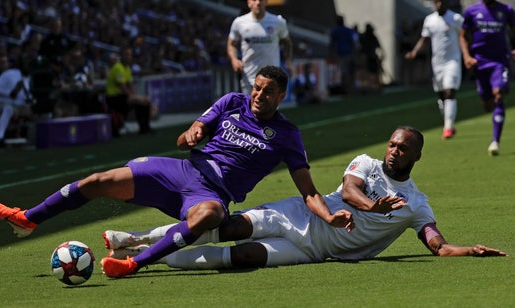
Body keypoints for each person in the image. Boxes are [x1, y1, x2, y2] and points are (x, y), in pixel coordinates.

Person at [0, 66, 354, 278]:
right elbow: (185, 137)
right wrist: (191, 133)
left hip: (208, 194)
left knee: (209, 215)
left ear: (281, 96)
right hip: (179, 171)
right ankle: (27, 218)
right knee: (98, 181)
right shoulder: (231, 103)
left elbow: (308, 191)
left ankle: (132, 264)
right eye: (257, 88)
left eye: (268, 92)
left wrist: (329, 217)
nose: (259, 96)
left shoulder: (287, 135)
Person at [104, 126, 506, 271]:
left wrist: (468, 250)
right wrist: (370, 207)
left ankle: (167, 259)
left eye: (403, 148)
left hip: (316, 250)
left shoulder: (417, 204)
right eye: (392, 145)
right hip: (299, 214)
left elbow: (436, 244)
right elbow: (348, 191)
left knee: (243, 258)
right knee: (226, 226)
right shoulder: (366, 163)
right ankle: (137, 239)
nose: (394, 151)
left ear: (417, 155)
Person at [459, 0, 515, 155]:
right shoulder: (471, 11)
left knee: (499, 94)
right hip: (480, 63)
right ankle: (489, 101)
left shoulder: (506, 10)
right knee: (488, 104)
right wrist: (466, 56)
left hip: (500, 61)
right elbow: (463, 36)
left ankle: (495, 141)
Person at [405, 0, 464, 140]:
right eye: (436, 2)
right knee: (442, 96)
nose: (439, 4)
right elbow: (424, 39)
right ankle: (449, 123)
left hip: (453, 61)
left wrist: (468, 54)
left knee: (450, 91)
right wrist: (414, 52)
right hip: (437, 64)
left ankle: (448, 128)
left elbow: (464, 37)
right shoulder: (429, 20)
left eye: (442, 2)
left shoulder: (456, 18)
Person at [227, 0, 293, 94]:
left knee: (270, 109)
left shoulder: (278, 22)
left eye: (261, 0)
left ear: (265, 2)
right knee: (249, 108)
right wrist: (233, 59)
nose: (258, 3)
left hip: (272, 79)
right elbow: (231, 43)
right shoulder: (239, 23)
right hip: (248, 78)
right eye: (254, 0)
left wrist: (288, 61)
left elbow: (287, 42)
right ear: (249, 3)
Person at [0, 54, 35, 148]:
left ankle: (37, 137)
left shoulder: (30, 77)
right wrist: (10, 93)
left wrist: (30, 99)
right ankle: (0, 138)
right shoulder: (9, 73)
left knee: (38, 111)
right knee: (8, 109)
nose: (28, 66)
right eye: (26, 63)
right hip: (4, 103)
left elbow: (28, 98)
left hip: (21, 107)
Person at [105, 46, 152, 137]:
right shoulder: (118, 68)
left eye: (130, 54)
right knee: (140, 101)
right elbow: (123, 87)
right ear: (122, 55)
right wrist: (135, 97)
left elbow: (130, 85)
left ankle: (145, 128)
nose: (128, 56)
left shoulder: (127, 68)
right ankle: (144, 128)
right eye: (126, 54)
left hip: (122, 96)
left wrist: (137, 96)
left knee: (144, 101)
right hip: (114, 97)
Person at [329, 15, 359, 94]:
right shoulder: (349, 30)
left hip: (341, 54)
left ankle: (346, 89)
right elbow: (355, 43)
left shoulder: (335, 31)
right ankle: (351, 89)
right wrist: (356, 53)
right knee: (351, 71)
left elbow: (332, 44)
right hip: (349, 53)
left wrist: (331, 54)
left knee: (344, 72)